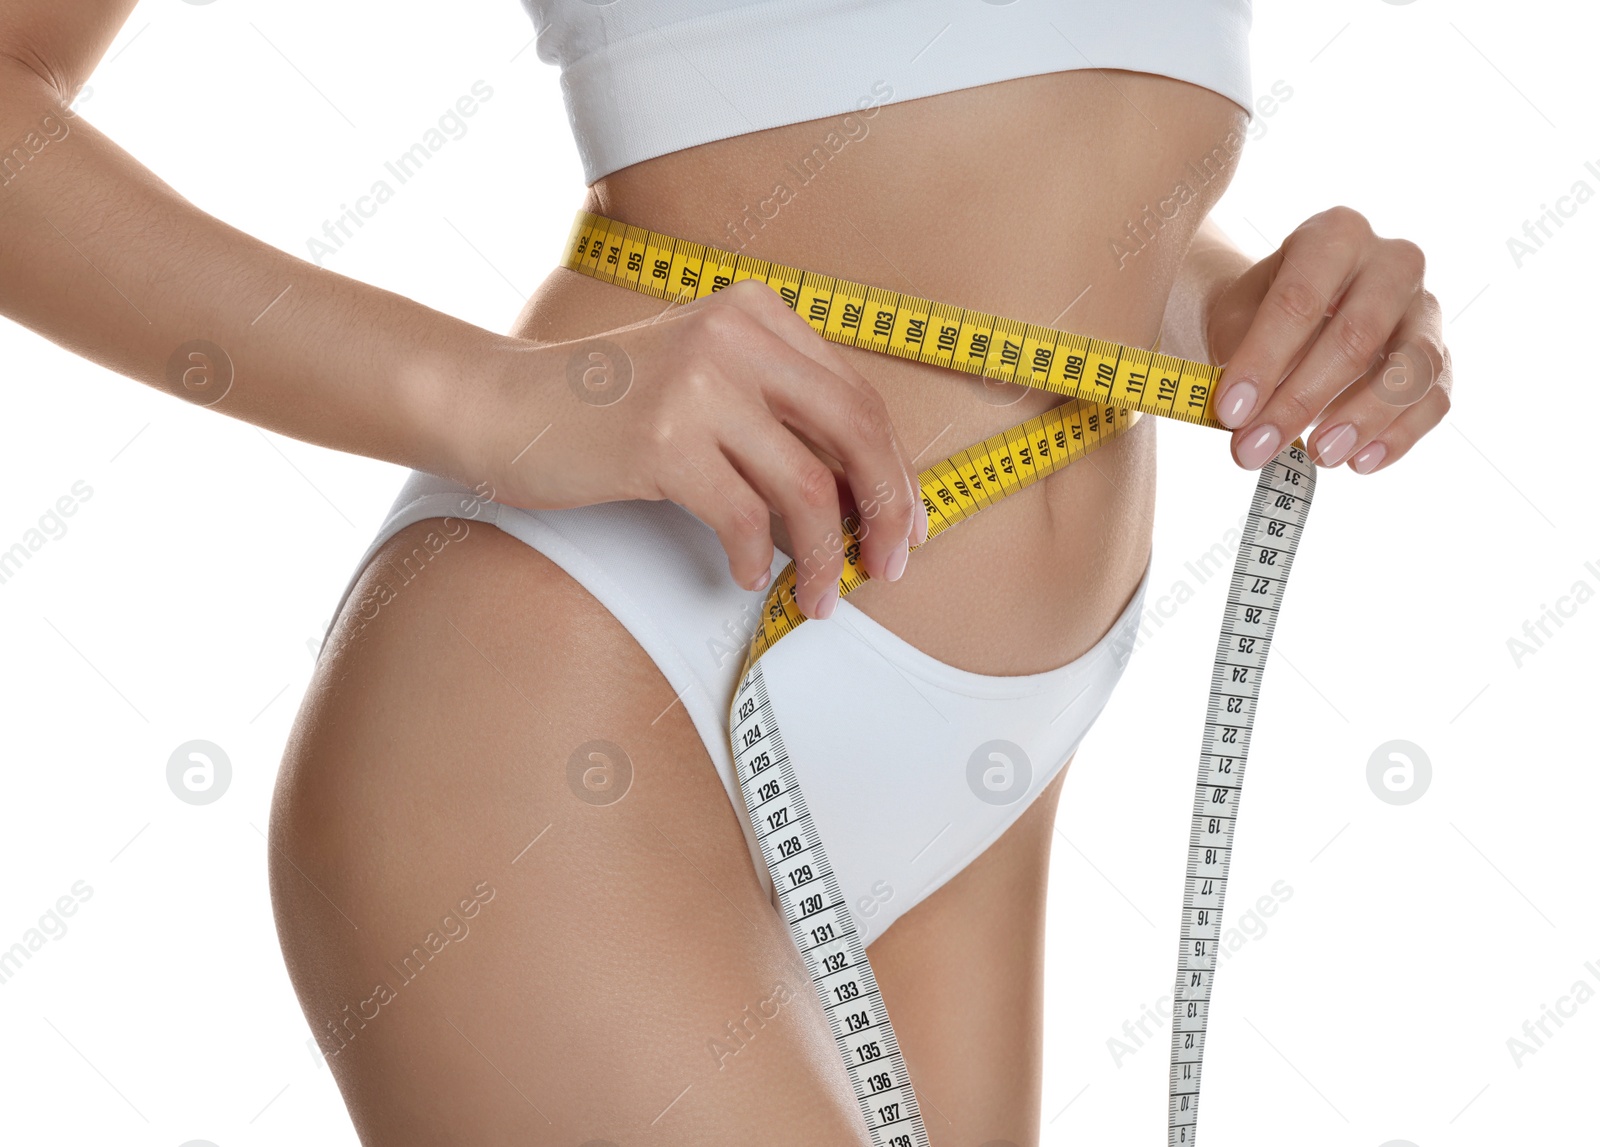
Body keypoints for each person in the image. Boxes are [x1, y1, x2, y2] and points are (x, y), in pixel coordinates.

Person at [0, 1, 1451, 1143]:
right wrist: (485, 398)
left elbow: (997, 123)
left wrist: (1241, 309)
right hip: (583, 689)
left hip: (994, 769)